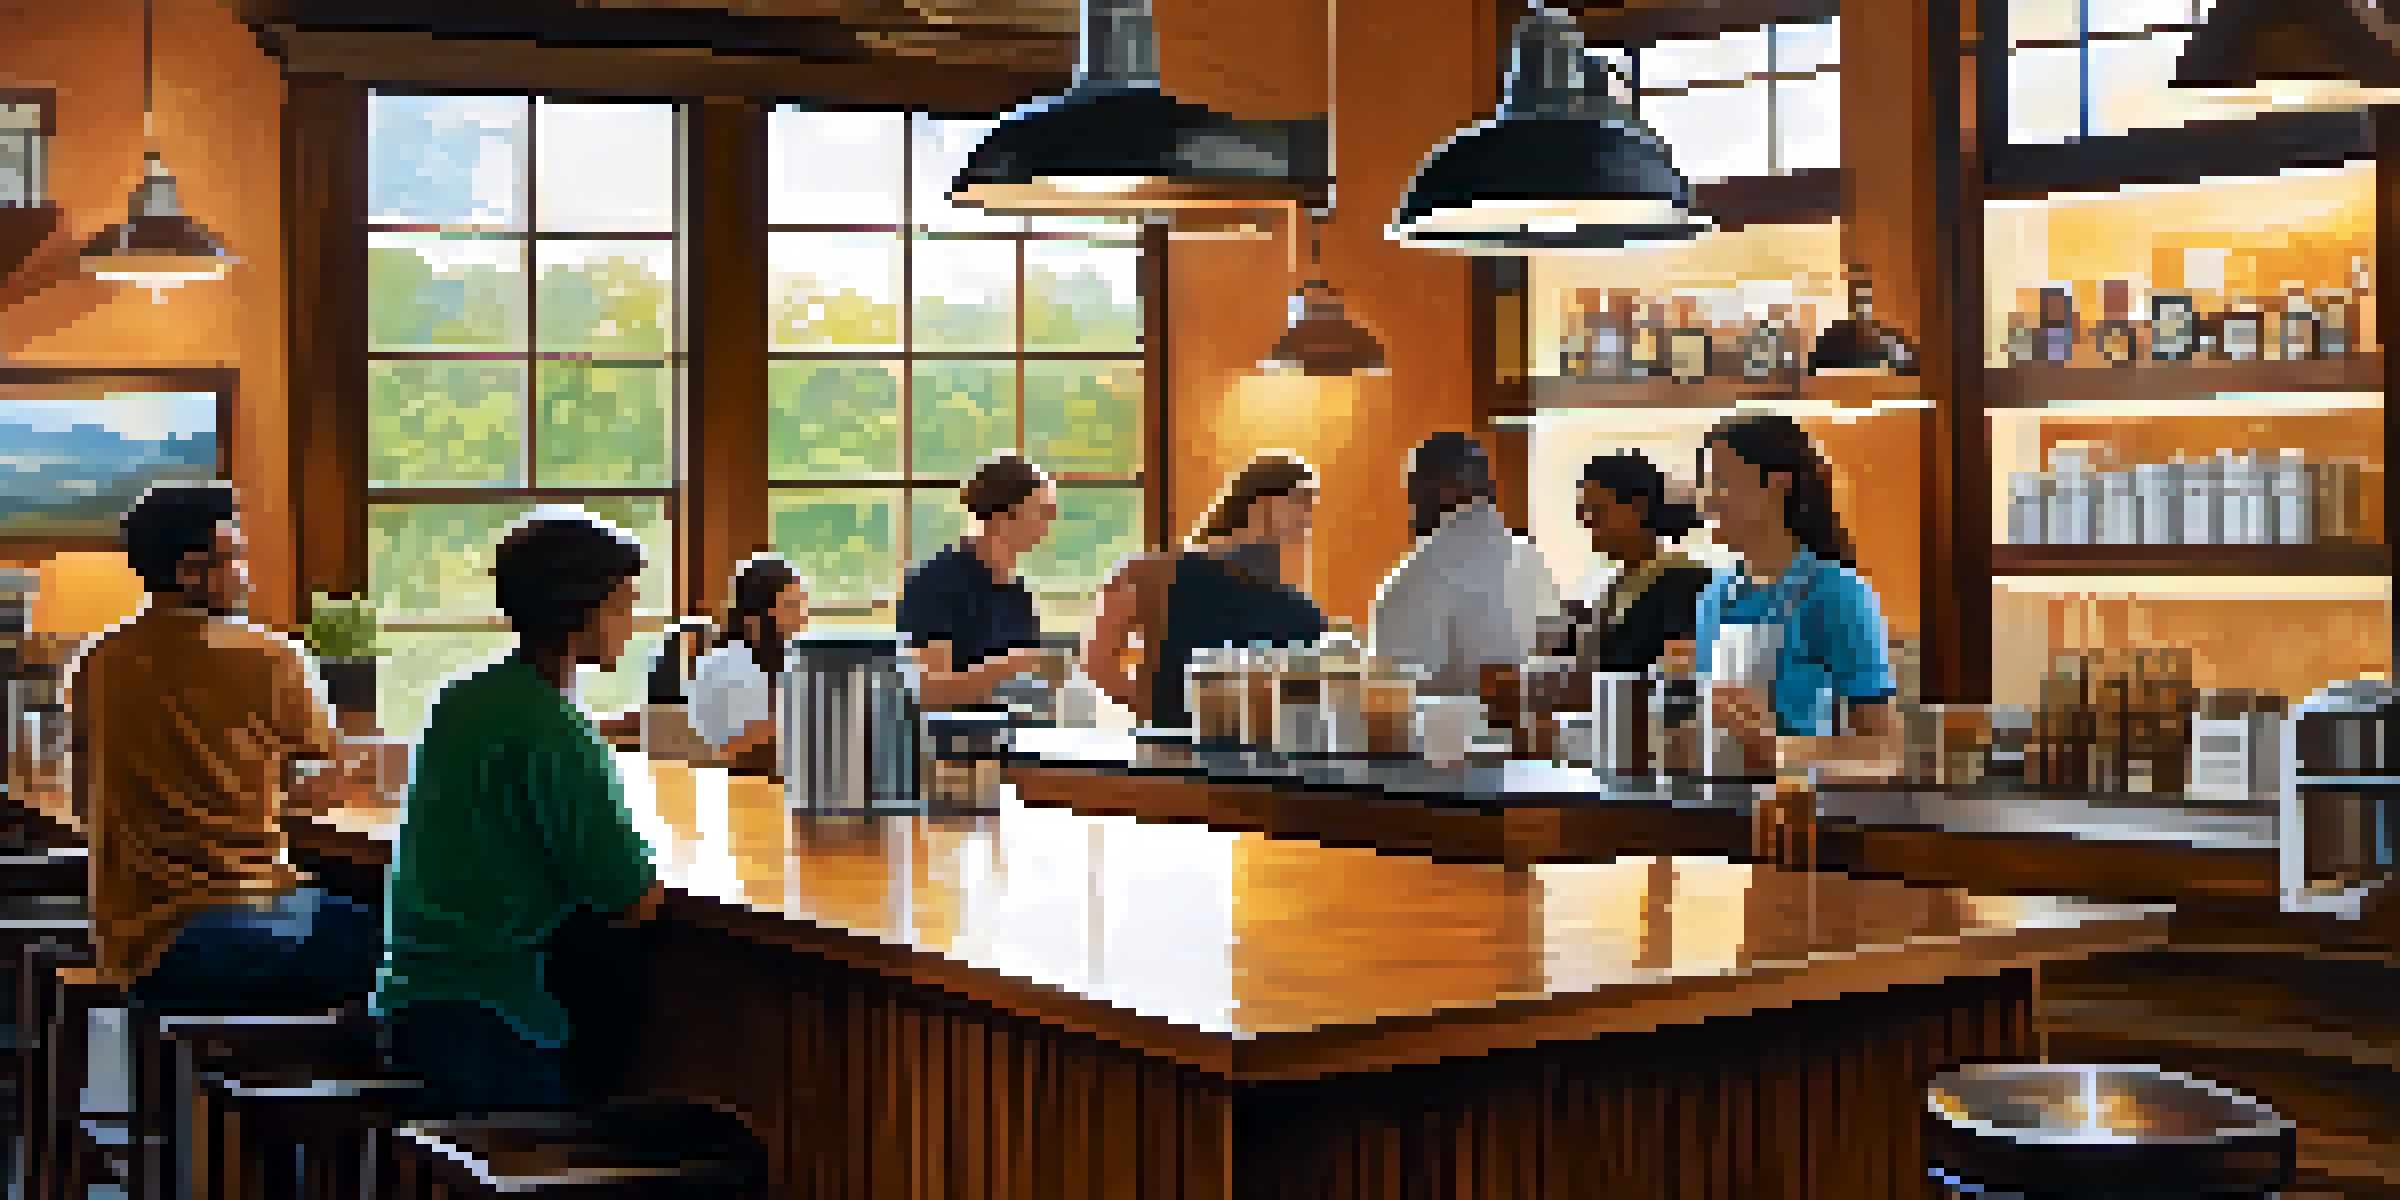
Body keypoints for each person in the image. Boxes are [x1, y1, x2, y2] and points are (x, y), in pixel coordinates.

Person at [377, 509, 668, 1115]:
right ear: (582, 611)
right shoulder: (556, 732)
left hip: (412, 999)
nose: (632, 623)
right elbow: (629, 896)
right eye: (624, 604)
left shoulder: (465, 697)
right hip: (499, 1019)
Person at [66, 481, 385, 1010]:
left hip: (137, 947)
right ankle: (327, 1087)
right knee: (405, 943)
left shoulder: (95, 665)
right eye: (233, 558)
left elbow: (84, 807)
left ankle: (244, 1078)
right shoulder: (269, 658)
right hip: (236, 931)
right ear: (190, 571)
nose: (245, 576)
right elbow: (328, 784)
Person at [1675, 412, 1901, 781]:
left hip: (1802, 818)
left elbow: (1883, 751)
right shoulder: (1714, 597)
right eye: (1705, 485)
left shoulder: (1835, 593)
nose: (1708, 502)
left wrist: (1776, 747)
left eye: (1721, 482)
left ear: (1777, 485)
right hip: (1717, 813)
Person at [1085, 454, 1325, 727]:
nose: (1307, 518)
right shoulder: (1148, 574)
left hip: (1261, 757)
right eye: (1302, 501)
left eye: (1310, 505)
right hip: (1174, 755)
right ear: (1263, 502)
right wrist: (1167, 715)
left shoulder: (1300, 610)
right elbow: (1099, 662)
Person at [1371, 432, 1561, 696]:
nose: (1412, 505)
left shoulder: (1419, 575)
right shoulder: (1535, 562)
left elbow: (1394, 690)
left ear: (1440, 487)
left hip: (1451, 733)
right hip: (1532, 731)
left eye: (1415, 489)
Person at [897, 453, 1063, 710]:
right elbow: (930, 694)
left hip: (1009, 741)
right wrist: (1008, 666)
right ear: (1001, 516)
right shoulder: (933, 584)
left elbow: (1029, 693)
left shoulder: (1019, 594)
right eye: (1042, 511)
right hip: (948, 746)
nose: (1050, 522)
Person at [1564, 452, 1714, 673]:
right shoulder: (1612, 588)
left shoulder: (1690, 586)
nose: (1588, 523)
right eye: (1583, 513)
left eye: (1597, 510)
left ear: (1638, 506)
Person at [687, 556, 807, 769]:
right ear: (760, 610)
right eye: (792, 605)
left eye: (802, 605)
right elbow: (725, 750)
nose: (801, 617)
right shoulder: (727, 667)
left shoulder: (785, 661)